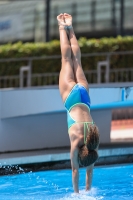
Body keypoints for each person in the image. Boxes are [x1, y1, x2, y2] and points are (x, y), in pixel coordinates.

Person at [57, 13, 99, 193]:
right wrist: (77, 194)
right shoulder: (76, 142)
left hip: (84, 95)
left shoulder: (93, 141)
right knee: (66, 60)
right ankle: (61, 26)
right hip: (71, 97)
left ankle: (70, 27)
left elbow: (90, 169)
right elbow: (75, 171)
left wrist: (88, 190)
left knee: (76, 60)